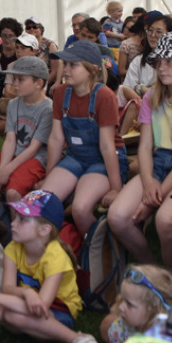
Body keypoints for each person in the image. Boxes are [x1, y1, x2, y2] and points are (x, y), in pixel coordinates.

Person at [107, 33, 172, 284]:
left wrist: (153, 198)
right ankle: (156, 274)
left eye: (170, 61)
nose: (162, 67)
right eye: (159, 62)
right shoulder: (150, 97)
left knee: (165, 221)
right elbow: (144, 147)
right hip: (157, 164)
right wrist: (148, 182)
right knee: (117, 217)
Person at [0, 190, 104, 343]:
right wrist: (26, 292)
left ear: (44, 230)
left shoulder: (56, 256)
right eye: (15, 216)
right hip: (25, 305)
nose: (13, 223)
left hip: (57, 312)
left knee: (13, 316)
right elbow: (7, 287)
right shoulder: (13, 248)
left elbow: (41, 305)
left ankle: (78, 339)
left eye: (22, 219)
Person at [43, 42, 127, 236]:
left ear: (92, 69)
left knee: (80, 209)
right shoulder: (61, 93)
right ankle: (69, 244)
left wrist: (116, 188)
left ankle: (97, 248)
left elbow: (107, 146)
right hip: (75, 157)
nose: (67, 69)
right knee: (43, 201)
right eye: (66, 64)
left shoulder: (104, 96)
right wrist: (48, 176)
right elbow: (56, 138)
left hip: (103, 161)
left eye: (74, 65)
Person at [0, 57, 51, 203]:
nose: (14, 84)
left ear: (39, 83)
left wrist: (7, 170)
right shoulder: (13, 104)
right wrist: (2, 169)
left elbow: (34, 148)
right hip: (12, 154)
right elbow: (10, 139)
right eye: (14, 79)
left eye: (21, 80)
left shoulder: (48, 108)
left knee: (12, 193)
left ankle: (17, 224)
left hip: (35, 159)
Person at [99, 264, 172, 343]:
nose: (120, 307)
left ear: (153, 310)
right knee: (106, 326)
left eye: (129, 304)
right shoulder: (123, 326)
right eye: (122, 299)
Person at [24, 16, 62, 91]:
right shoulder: (23, 45)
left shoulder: (50, 45)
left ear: (41, 29)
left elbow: (55, 71)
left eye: (35, 27)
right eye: (28, 27)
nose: (31, 29)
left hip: (47, 83)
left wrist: (41, 85)